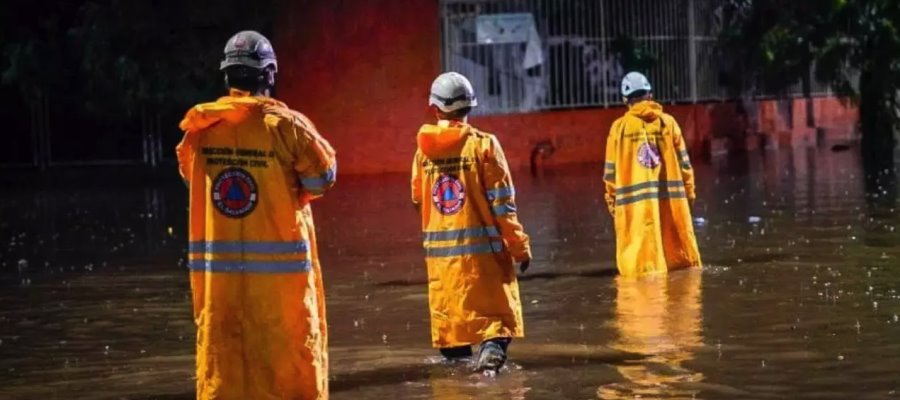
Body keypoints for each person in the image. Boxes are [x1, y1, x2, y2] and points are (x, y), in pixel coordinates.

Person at [176, 30, 336, 399]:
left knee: (226, 368)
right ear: (269, 74)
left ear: (228, 76)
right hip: (280, 288)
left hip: (222, 287)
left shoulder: (199, 131)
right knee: (289, 366)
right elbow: (322, 178)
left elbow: (193, 181)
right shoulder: (286, 126)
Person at [410, 72, 532, 373]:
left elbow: (418, 202)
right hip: (483, 262)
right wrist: (519, 247)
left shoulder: (422, 154)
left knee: (454, 348)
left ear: (435, 108)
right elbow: (504, 207)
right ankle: (491, 352)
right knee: (496, 325)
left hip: (442, 266)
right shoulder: (484, 146)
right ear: (470, 108)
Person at [603, 72, 702, 279]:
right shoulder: (669, 124)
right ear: (650, 95)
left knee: (640, 279)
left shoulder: (618, 130)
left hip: (634, 216)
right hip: (673, 212)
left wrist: (615, 209)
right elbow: (686, 169)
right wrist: (688, 201)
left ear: (624, 100)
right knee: (682, 278)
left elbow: (610, 178)